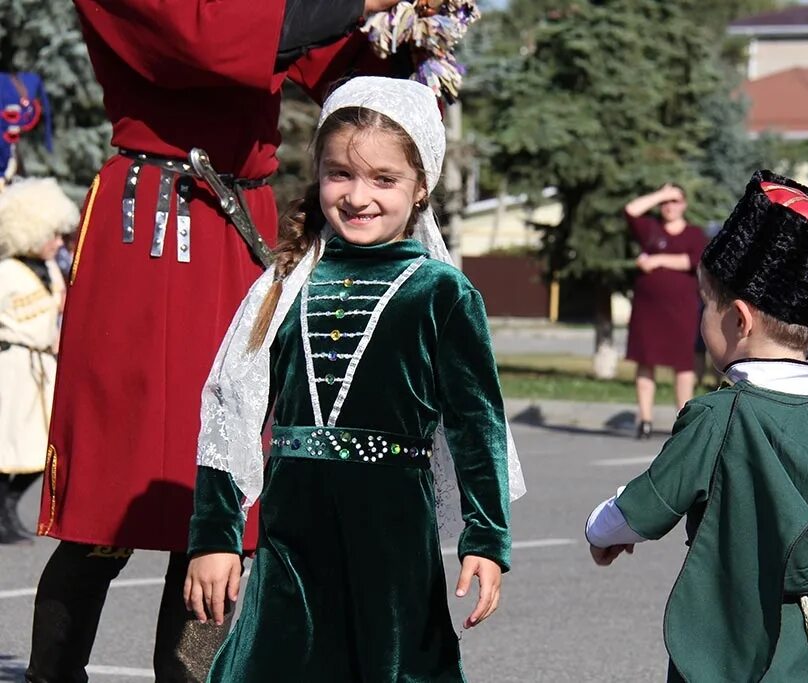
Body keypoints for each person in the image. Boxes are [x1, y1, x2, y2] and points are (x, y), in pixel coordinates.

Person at [27, 2, 408, 681]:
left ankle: (192, 675)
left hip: (238, 229)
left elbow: (337, 68)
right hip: (153, 227)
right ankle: (52, 673)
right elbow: (209, 38)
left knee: (227, 490)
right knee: (109, 503)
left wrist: (411, 34)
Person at [184, 76, 525, 682]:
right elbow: (229, 410)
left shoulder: (441, 292)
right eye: (340, 173)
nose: (358, 195)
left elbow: (478, 426)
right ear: (317, 175)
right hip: (293, 538)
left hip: (392, 537)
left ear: (420, 189)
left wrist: (486, 537)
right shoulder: (283, 283)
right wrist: (215, 535)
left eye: (384, 179)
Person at [585, 171, 808, 683]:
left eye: (703, 303)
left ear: (738, 319)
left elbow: (649, 501)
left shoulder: (718, 415)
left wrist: (601, 529)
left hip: (723, 643)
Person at [0, 178, 78, 545]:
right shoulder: (6, 272)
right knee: (10, 446)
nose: (59, 242)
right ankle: (3, 511)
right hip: (12, 367)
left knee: (38, 449)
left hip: (41, 368)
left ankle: (9, 506)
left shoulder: (49, 271)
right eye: (52, 235)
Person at [624, 184, 708, 439]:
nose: (670, 206)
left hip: (681, 311)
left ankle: (683, 419)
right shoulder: (651, 229)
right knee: (645, 362)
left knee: (683, 366)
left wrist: (658, 260)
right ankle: (645, 420)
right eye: (666, 202)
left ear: (685, 205)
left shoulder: (694, 234)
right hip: (647, 310)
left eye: (675, 201)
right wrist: (661, 193)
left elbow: (693, 260)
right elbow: (630, 211)